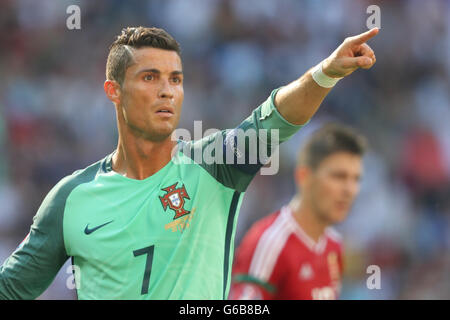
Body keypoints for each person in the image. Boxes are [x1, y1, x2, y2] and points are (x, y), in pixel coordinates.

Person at [0, 26, 378, 299]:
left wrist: (326, 72)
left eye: (175, 79)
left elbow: (273, 120)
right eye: (150, 77)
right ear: (113, 91)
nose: (167, 90)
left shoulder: (214, 166)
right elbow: (13, 288)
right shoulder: (71, 197)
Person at [229, 124, 367, 300]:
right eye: (338, 176)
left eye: (355, 179)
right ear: (304, 177)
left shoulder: (334, 246)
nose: (349, 190)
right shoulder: (270, 242)